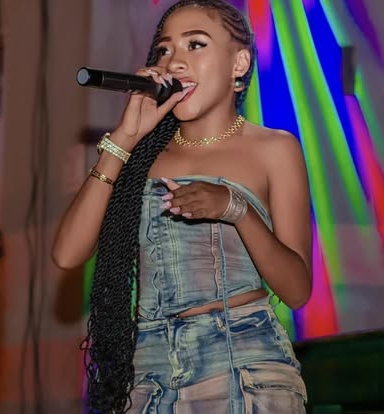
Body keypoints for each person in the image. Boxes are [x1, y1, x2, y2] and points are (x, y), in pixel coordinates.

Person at [52, 0, 312, 412]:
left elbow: (296, 291)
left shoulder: (273, 148)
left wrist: (236, 210)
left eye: (195, 44)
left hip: (241, 362)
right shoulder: (140, 155)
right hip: (146, 373)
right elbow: (67, 254)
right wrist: (124, 139)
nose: (174, 61)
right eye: (164, 50)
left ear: (239, 63)